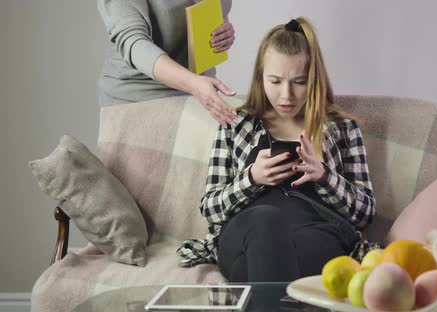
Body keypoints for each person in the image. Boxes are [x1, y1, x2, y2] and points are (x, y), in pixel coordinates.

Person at [177, 17, 379, 282]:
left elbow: (365, 214)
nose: (286, 96)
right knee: (266, 221)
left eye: (299, 82)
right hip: (247, 233)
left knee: (274, 264)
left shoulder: (343, 128)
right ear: (260, 78)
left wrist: (325, 176)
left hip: (315, 232)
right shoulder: (234, 124)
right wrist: (251, 179)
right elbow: (211, 209)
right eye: (275, 81)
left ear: (314, 79)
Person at [97, 0, 237, 126]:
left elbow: (217, 9)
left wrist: (222, 28)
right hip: (138, 95)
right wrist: (192, 83)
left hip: (199, 89)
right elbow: (133, 43)